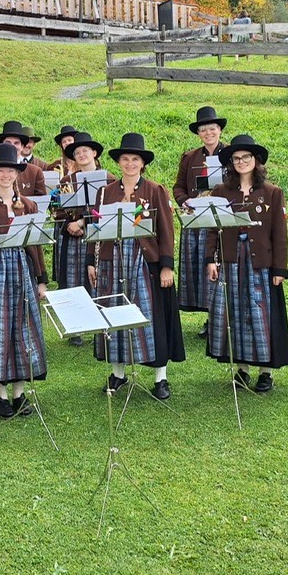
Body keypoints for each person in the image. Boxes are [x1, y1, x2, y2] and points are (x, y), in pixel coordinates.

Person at [90, 133, 182, 399]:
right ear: (119, 163)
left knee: (149, 317)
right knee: (114, 313)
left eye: (135, 159)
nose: (130, 164)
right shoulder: (105, 192)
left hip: (144, 261)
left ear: (143, 164)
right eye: (125, 159)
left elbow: (166, 231)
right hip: (112, 260)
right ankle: (118, 373)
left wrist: (167, 266)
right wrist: (90, 262)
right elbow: (96, 229)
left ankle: (160, 377)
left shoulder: (155, 190)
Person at [204, 135, 288, 392]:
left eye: (246, 157)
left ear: (256, 160)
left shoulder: (272, 192)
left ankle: (266, 371)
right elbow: (213, 229)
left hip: (260, 263)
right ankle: (242, 368)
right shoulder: (221, 192)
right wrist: (212, 259)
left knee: (261, 315)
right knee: (236, 313)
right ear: (230, 163)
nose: (241, 162)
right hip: (231, 261)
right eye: (236, 158)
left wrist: (279, 268)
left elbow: (280, 234)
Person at [0, 142, 49, 418]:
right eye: (0, 170)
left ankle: (19, 392)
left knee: (22, 329)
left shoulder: (27, 205)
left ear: (17, 174)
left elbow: (35, 246)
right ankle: (0, 396)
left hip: (23, 272)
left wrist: (41, 279)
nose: (5, 175)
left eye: (10, 170)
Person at [52, 132, 110, 346]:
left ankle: (101, 323)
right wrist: (68, 223)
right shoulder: (67, 181)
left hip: (100, 236)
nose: (82, 154)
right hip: (73, 237)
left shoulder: (110, 179)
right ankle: (76, 327)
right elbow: (57, 209)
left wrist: (83, 222)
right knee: (73, 280)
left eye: (85, 150)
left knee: (99, 278)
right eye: (77, 152)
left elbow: (107, 209)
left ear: (94, 153)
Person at [174, 106, 228, 329]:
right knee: (199, 269)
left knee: (219, 266)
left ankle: (220, 316)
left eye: (212, 128)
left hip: (221, 220)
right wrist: (184, 201)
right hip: (196, 220)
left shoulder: (231, 154)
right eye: (204, 130)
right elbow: (178, 187)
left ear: (220, 131)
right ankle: (208, 315)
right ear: (199, 134)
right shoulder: (190, 158)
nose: (209, 133)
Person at [0, 121, 47, 196]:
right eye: (8, 143)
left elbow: (41, 202)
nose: (12, 146)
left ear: (22, 146)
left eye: (16, 143)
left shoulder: (35, 172)